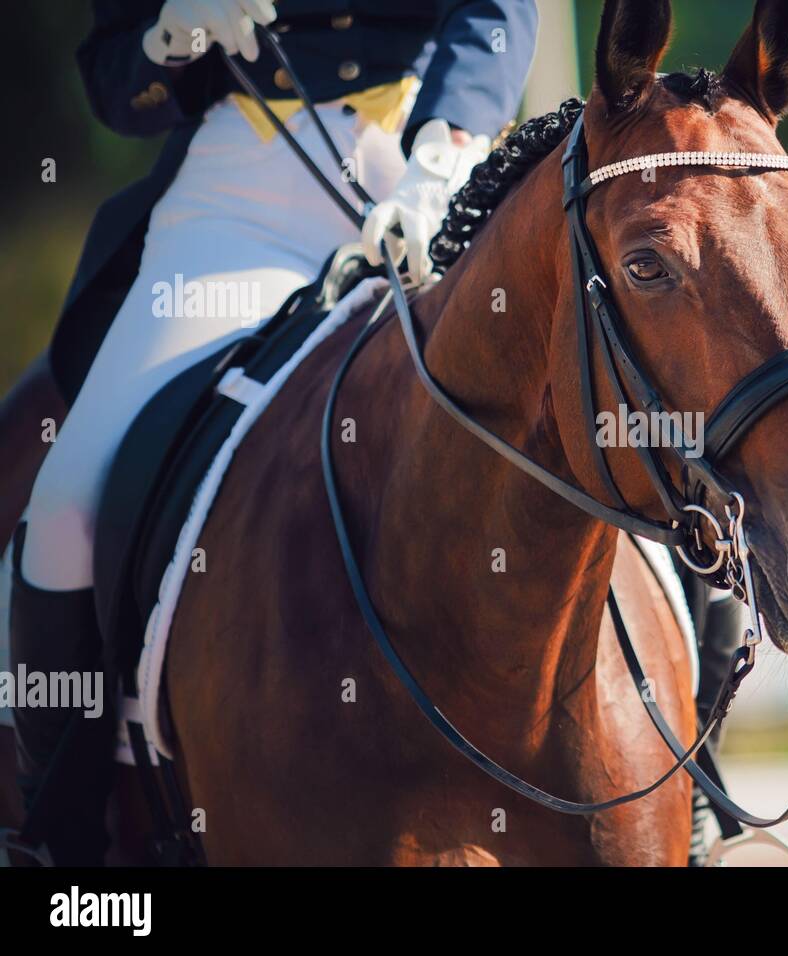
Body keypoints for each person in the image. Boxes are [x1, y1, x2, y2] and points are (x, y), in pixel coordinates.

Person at [12, 0, 537, 865]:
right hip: (240, 194)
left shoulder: (446, 150)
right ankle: (61, 846)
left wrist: (448, 150)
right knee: (66, 508)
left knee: (607, 357)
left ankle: (693, 795)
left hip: (436, 152)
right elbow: (112, 73)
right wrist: (167, 33)